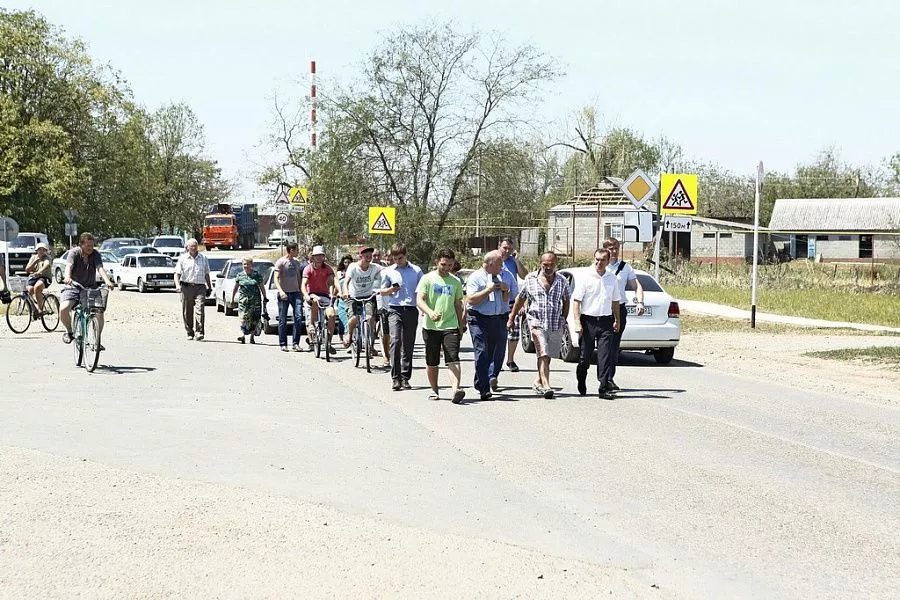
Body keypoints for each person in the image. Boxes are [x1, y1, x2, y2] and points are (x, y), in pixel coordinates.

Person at [509, 252, 570, 399]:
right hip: (536, 322)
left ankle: (538, 381)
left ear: (556, 264)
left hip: (555, 323)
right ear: (540, 263)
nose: (548, 268)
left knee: (548, 355)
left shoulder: (562, 280)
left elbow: (566, 300)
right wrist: (512, 317)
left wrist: (563, 318)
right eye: (545, 265)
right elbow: (520, 299)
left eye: (551, 265)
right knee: (542, 352)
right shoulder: (531, 279)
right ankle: (546, 385)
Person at [416, 248, 466, 404]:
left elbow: (458, 304)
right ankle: (434, 389)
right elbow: (420, 300)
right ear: (437, 262)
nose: (446, 268)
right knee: (432, 361)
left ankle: (456, 389)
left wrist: (461, 325)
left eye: (450, 265)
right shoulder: (427, 279)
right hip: (431, 327)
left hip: (450, 325)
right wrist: (430, 312)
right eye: (443, 264)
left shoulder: (455, 281)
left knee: (453, 358)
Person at [572, 248, 622, 399]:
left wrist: (617, 320)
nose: (599, 263)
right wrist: (577, 322)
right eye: (597, 260)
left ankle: (603, 387)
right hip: (588, 321)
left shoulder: (612, 278)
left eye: (603, 260)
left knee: (604, 356)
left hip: (606, 322)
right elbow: (577, 301)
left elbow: (615, 301)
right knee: (584, 358)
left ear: (608, 261)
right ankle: (581, 379)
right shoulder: (586, 277)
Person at [465, 251, 510, 400]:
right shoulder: (476, 277)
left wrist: (505, 289)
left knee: (490, 354)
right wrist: (488, 290)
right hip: (478, 319)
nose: (501, 267)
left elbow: (505, 299)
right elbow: (471, 299)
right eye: (499, 264)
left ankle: (479, 381)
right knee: (482, 351)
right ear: (490, 264)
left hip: (495, 319)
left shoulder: (498, 277)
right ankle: (484, 389)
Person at [604, 237, 645, 391]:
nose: (614, 251)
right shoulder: (599, 265)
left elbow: (636, 286)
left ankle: (609, 378)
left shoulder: (625, 267)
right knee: (603, 346)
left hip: (619, 310)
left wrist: (640, 302)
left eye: (616, 248)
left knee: (613, 346)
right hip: (602, 310)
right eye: (610, 248)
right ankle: (600, 377)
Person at [60, 233, 115, 346]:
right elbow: (69, 266)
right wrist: (67, 277)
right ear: (81, 244)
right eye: (88, 245)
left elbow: (100, 268)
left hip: (91, 288)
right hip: (74, 287)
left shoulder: (95, 254)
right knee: (64, 309)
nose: (90, 248)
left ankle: (97, 340)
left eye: (92, 245)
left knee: (99, 312)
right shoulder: (74, 253)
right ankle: (69, 332)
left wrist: (107, 281)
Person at [381, 243, 423, 391]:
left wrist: (424, 308)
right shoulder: (388, 271)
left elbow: (422, 290)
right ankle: (395, 377)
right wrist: (391, 290)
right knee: (396, 340)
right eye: (395, 258)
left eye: (400, 258)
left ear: (405, 255)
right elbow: (382, 291)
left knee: (408, 344)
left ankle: (405, 377)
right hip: (394, 309)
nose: (397, 261)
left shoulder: (416, 271)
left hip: (411, 309)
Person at [343, 246, 383, 352]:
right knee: (353, 318)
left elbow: (388, 270)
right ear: (360, 256)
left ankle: (370, 344)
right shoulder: (353, 267)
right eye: (366, 255)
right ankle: (349, 334)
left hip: (368, 297)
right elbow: (346, 282)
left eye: (370, 255)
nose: (369, 257)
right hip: (353, 296)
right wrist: (345, 292)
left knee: (370, 318)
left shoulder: (375, 267)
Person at [497, 236, 528, 374]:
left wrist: (516, 260)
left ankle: (510, 359)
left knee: (514, 333)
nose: (507, 251)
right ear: (499, 246)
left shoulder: (512, 261)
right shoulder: (494, 259)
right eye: (505, 248)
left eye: (510, 248)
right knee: (498, 333)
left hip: (512, 302)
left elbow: (524, 276)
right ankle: (496, 360)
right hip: (496, 302)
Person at [173, 238, 211, 341]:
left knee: (200, 309)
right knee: (187, 311)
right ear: (187, 247)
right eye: (191, 246)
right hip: (186, 287)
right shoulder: (183, 258)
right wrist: (177, 285)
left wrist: (209, 286)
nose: (193, 248)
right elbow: (177, 273)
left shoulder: (203, 258)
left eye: (195, 246)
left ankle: (199, 332)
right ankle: (190, 331)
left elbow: (207, 274)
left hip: (200, 287)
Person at [302, 245, 338, 351]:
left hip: (325, 296)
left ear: (323, 257)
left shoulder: (328, 268)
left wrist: (332, 293)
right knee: (315, 301)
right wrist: (306, 295)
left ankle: (329, 342)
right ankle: (311, 330)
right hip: (312, 295)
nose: (318, 258)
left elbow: (331, 282)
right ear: (313, 257)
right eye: (316, 255)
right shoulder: (308, 269)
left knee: (331, 315)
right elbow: (303, 284)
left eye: (320, 255)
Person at [274, 242, 305, 352]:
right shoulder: (281, 262)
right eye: (296, 249)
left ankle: (295, 343)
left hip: (296, 293)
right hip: (284, 294)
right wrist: (281, 291)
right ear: (291, 250)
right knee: (283, 320)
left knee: (298, 317)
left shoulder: (296, 262)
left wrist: (302, 292)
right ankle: (283, 344)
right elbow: (276, 278)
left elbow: (299, 278)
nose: (298, 252)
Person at [230, 257, 267, 344]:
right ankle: (242, 335)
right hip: (244, 302)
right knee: (243, 318)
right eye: (244, 264)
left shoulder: (257, 275)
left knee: (254, 319)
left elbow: (262, 287)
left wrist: (265, 297)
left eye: (248, 264)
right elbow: (235, 288)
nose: (246, 266)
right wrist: (232, 298)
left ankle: (252, 337)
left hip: (255, 301)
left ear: (251, 265)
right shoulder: (240, 275)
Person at [372, 248, 391, 367]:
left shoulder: (385, 267)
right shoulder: (372, 268)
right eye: (373, 255)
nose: (375, 257)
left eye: (377, 255)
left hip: (390, 302)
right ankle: (372, 346)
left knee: (388, 331)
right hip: (375, 298)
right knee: (371, 321)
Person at [25, 242, 53, 315]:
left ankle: (40, 309)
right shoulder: (33, 257)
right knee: (29, 290)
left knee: (37, 287)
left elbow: (46, 265)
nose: (41, 251)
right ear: (36, 250)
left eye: (43, 250)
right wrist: (35, 262)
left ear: (46, 251)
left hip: (45, 277)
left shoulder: (47, 258)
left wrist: (39, 272)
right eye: (39, 249)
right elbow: (27, 270)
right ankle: (35, 308)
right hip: (34, 277)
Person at [334, 254, 354, 345]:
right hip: (342, 300)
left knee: (352, 319)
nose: (347, 264)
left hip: (352, 298)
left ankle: (352, 340)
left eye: (349, 262)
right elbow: (337, 285)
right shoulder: (339, 273)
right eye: (345, 262)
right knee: (343, 320)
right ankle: (344, 337)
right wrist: (336, 294)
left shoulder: (354, 271)